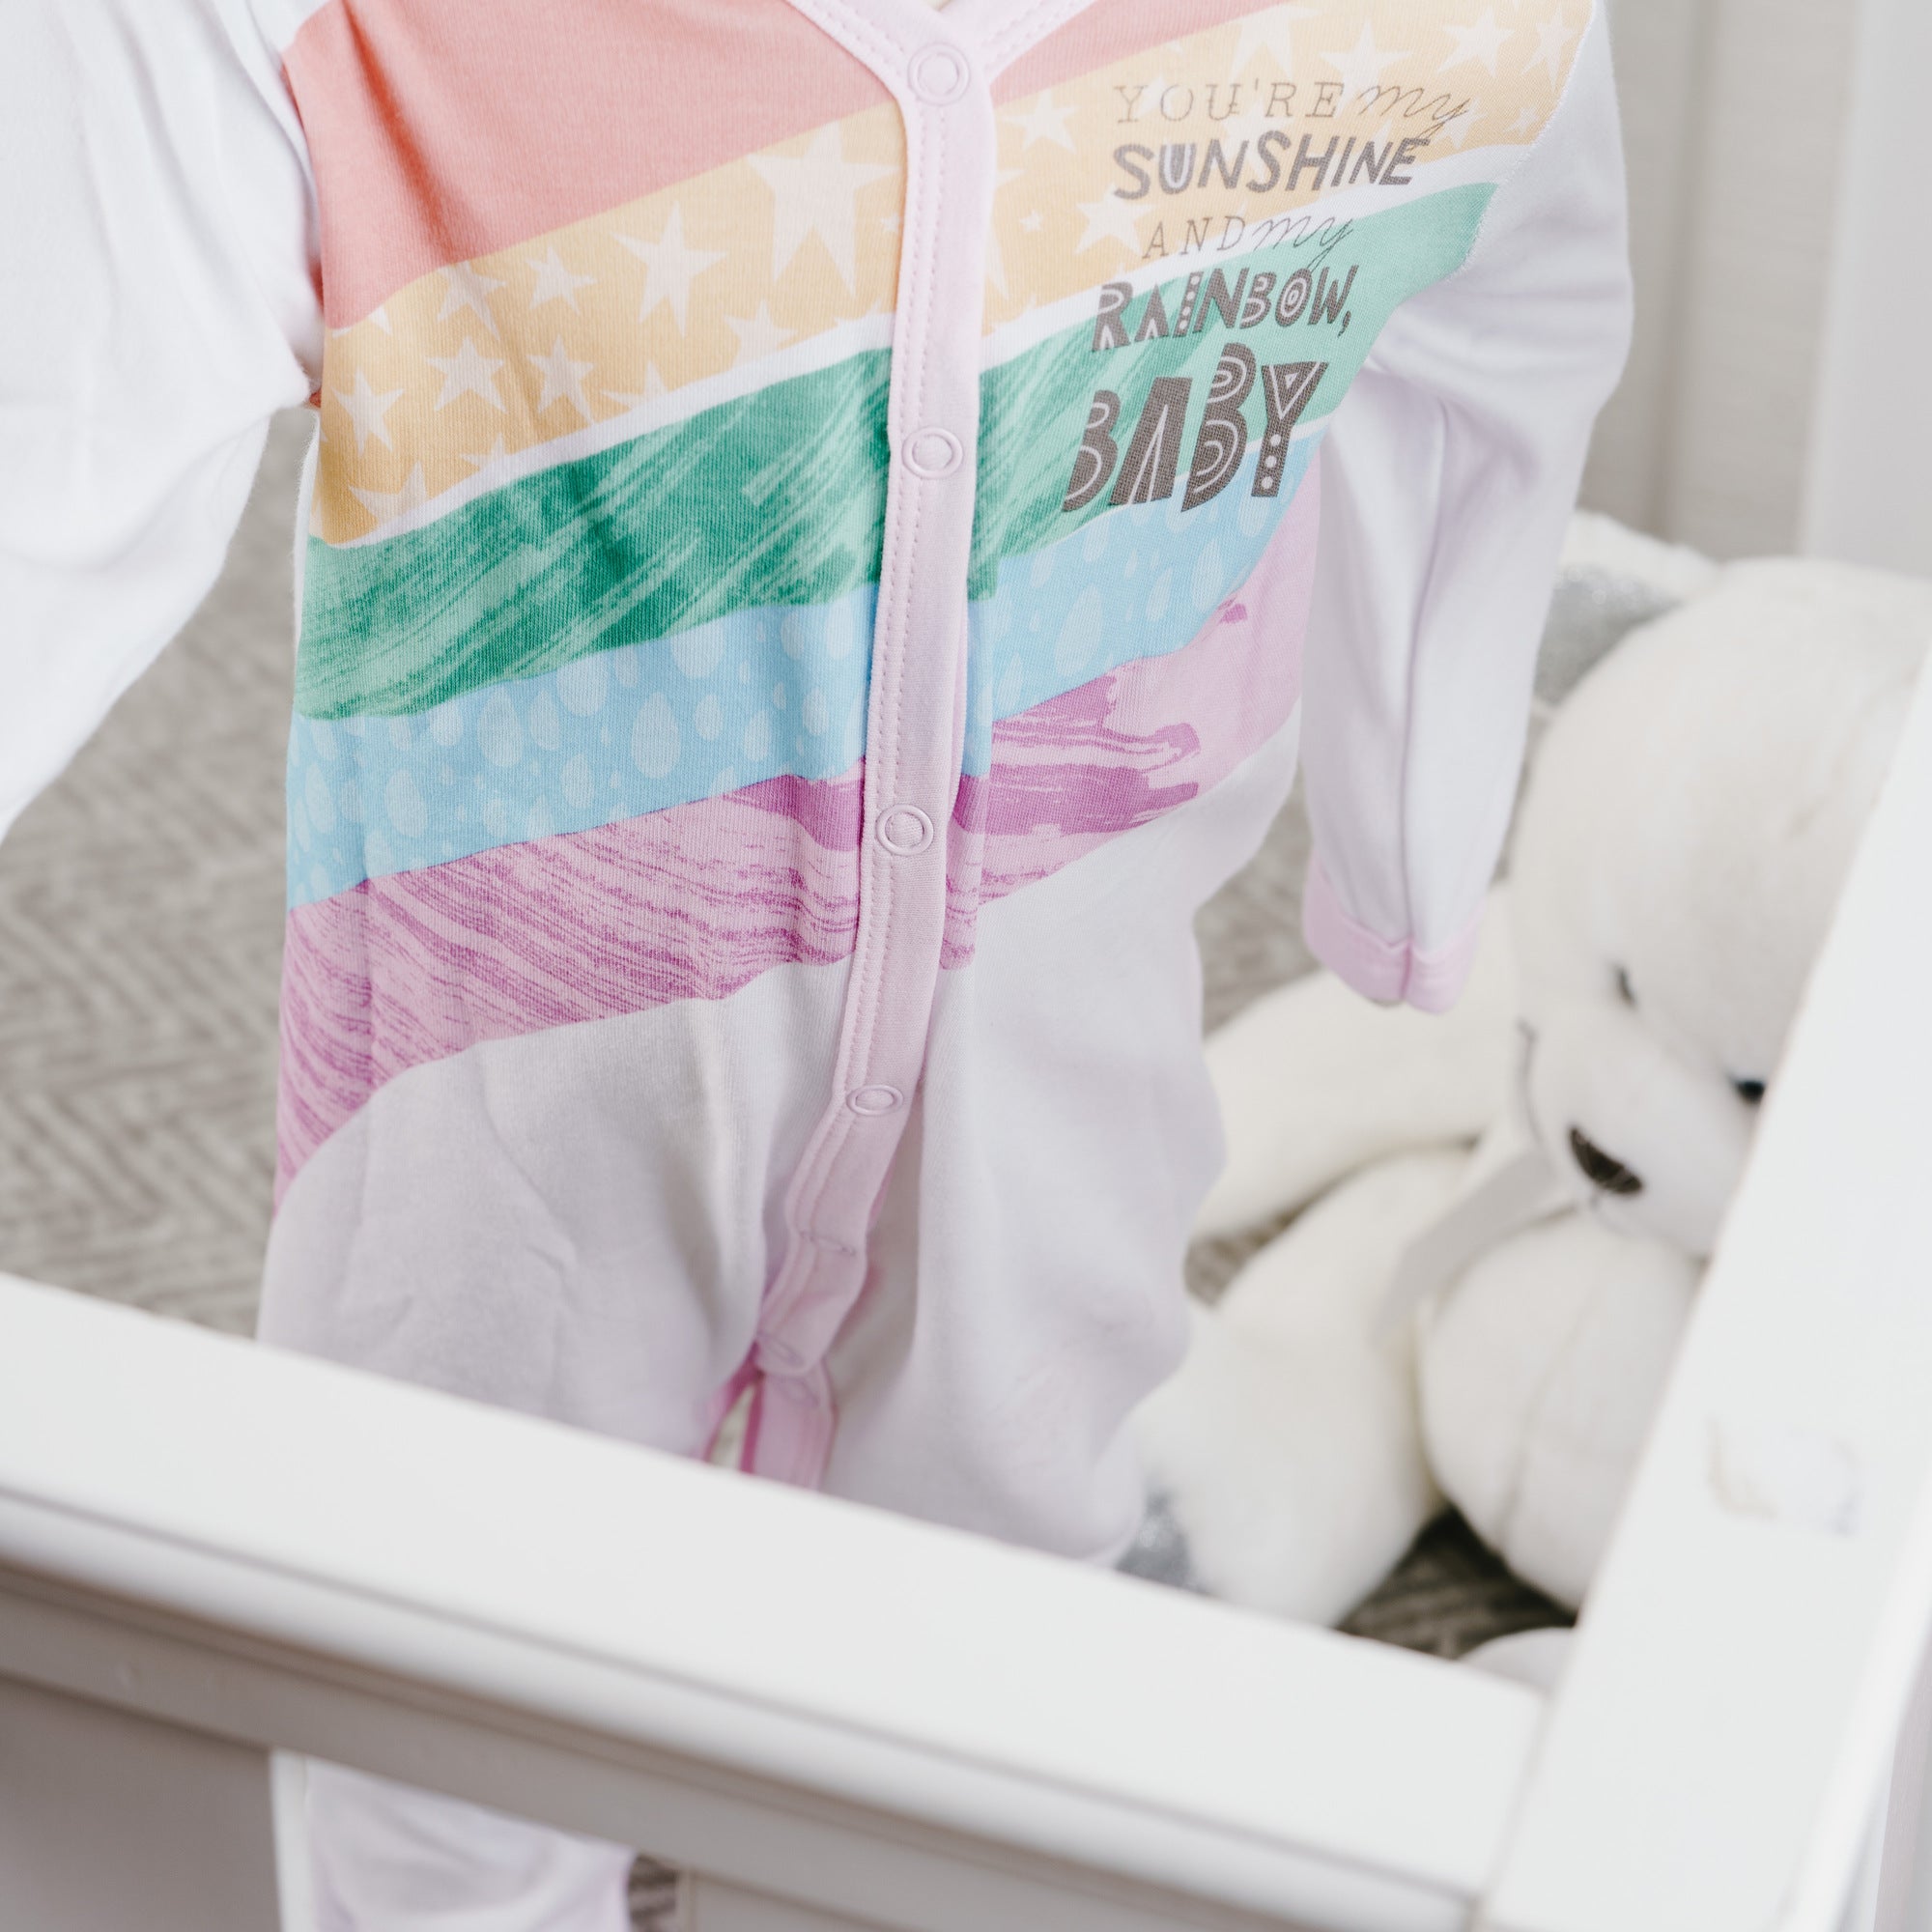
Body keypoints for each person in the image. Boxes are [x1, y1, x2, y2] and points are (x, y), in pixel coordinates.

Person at [0, 0, 1631, 1924]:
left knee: (979, 1712)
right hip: (496, 1112)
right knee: (431, 1684)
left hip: (1052, 1092)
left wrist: (1413, 832)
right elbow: (58, 411)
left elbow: (1509, 314)